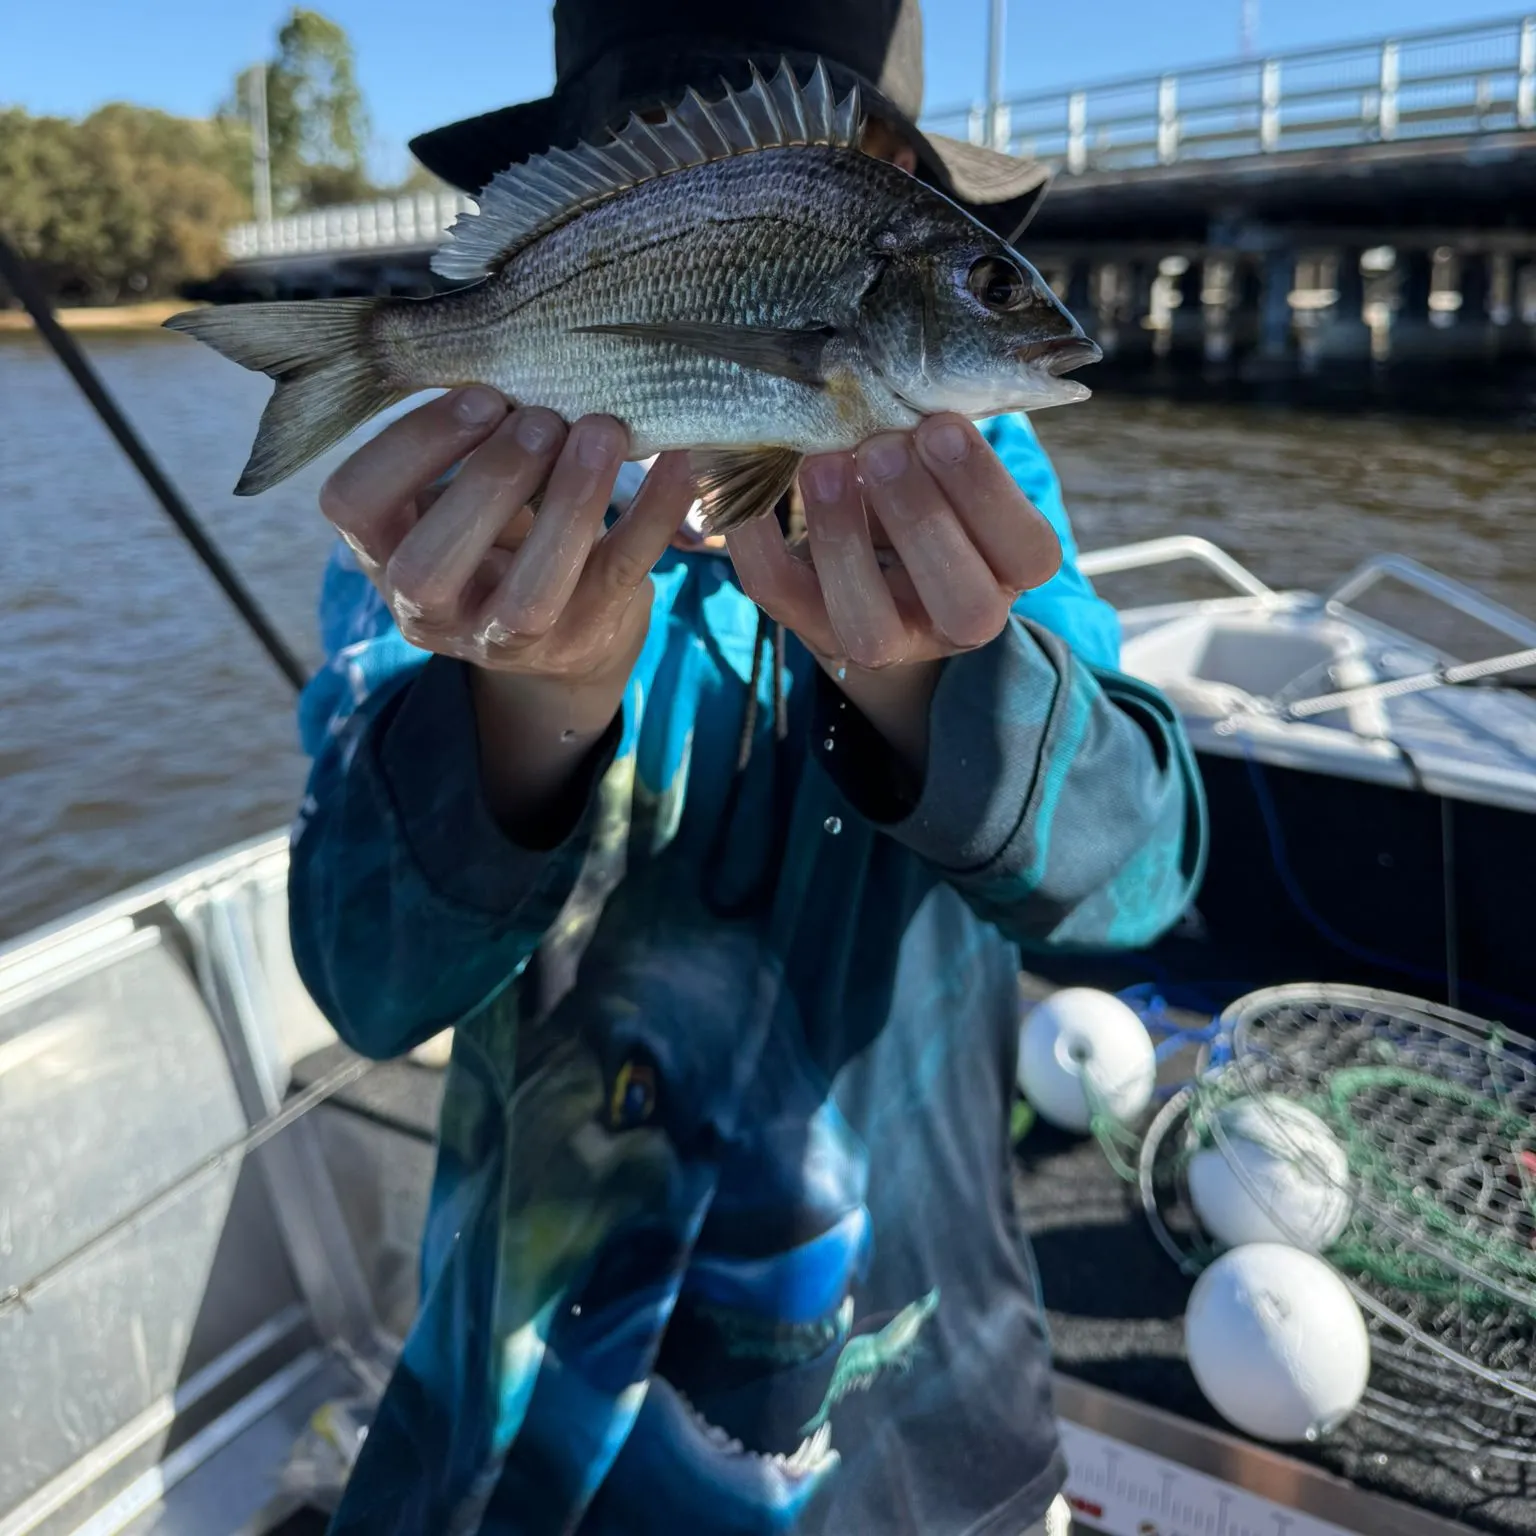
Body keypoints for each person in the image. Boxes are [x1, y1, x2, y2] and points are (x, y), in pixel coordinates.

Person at [287, 2, 1206, 1532]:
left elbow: (1138, 874)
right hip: (519, 1455)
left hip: (911, 1437)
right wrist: (529, 701)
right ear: (583, 188)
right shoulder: (451, 536)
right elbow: (365, 981)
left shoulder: (986, 490)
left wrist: (935, 685)